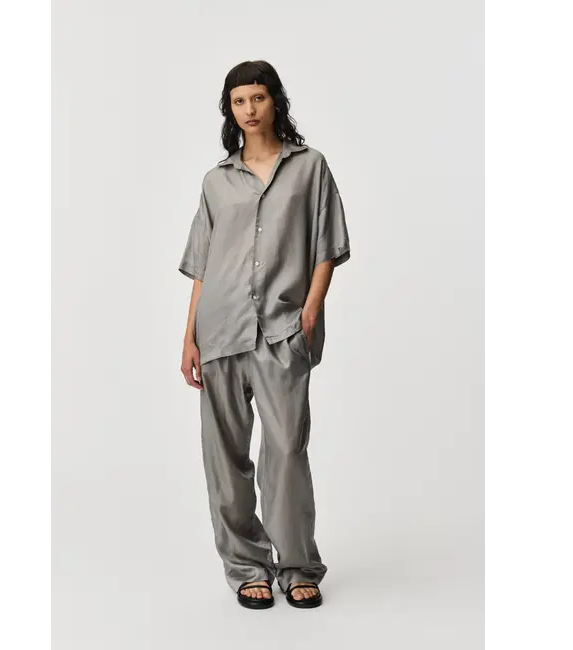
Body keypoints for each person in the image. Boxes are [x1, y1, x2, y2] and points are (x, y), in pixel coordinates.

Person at [178, 61, 351, 610]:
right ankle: (246, 566)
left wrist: (310, 310)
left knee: (287, 451)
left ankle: (297, 564)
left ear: (276, 101)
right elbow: (202, 265)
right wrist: (189, 337)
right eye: (238, 101)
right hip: (220, 330)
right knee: (225, 458)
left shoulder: (309, 167)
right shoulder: (216, 181)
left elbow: (327, 246)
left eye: (258, 97)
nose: (249, 109)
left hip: (281, 329)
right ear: (229, 110)